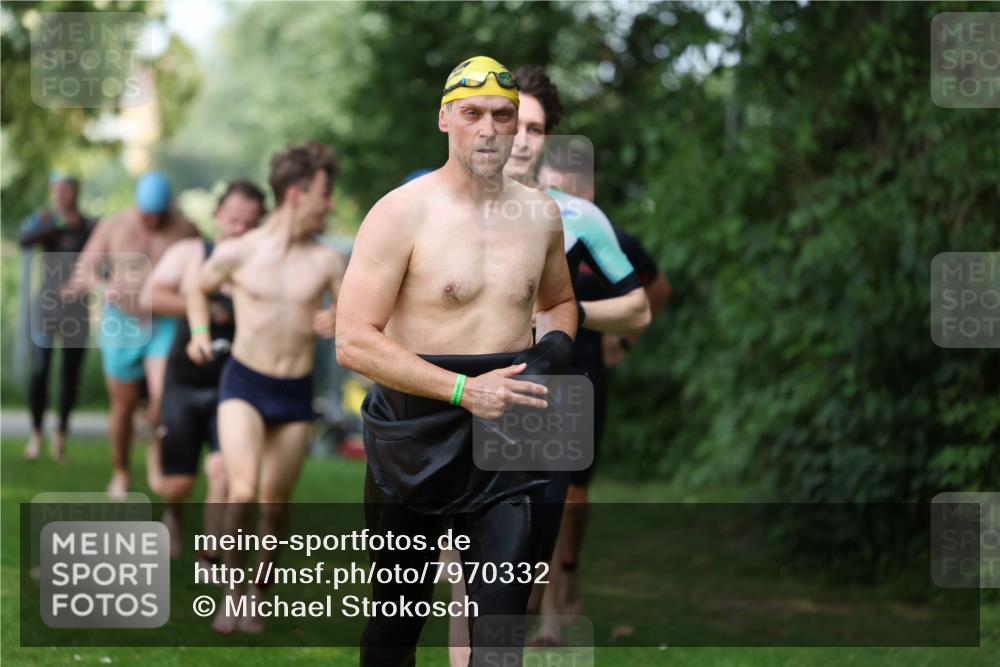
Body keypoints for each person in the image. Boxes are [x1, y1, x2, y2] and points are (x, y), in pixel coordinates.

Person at [335, 55, 582, 667]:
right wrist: (462, 392)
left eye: (504, 115)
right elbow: (353, 339)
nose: (490, 129)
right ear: (446, 118)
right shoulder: (400, 212)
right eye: (473, 114)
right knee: (396, 627)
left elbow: (559, 303)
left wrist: (551, 352)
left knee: (500, 637)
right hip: (415, 428)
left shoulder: (540, 215)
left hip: (510, 428)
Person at [445, 65, 654, 665]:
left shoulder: (576, 218)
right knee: (465, 570)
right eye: (511, 119)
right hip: (466, 395)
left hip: (542, 405)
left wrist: (566, 313)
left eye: (534, 127)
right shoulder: (443, 208)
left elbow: (638, 307)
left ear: (543, 138)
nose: (520, 136)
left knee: (514, 581)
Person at [187, 142, 344, 635]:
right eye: (325, 192)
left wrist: (335, 317)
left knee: (275, 507)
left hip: (294, 394)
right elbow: (197, 287)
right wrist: (197, 333)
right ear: (297, 194)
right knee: (240, 490)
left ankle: (259, 594)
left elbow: (359, 315)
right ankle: (231, 596)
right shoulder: (239, 251)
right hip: (244, 384)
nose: (331, 203)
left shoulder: (326, 262)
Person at [140, 180, 267, 559]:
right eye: (233, 220)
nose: (240, 230)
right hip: (185, 381)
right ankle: (174, 515)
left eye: (250, 222)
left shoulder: (264, 263)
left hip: (234, 386)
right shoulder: (190, 253)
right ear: (217, 216)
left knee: (222, 471)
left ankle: (210, 555)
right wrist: (207, 310)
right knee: (176, 485)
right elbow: (152, 295)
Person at [64, 171, 198, 498]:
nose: (152, 222)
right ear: (137, 206)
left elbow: (200, 270)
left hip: (163, 320)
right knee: (122, 405)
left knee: (162, 396)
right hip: (122, 320)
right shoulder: (114, 225)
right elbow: (85, 269)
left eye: (159, 215)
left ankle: (155, 448)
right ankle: (121, 470)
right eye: (146, 215)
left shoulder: (185, 229)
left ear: (170, 208)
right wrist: (104, 286)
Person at [18, 172, 95, 462]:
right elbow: (25, 240)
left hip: (77, 310)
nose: (60, 195)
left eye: (66, 190)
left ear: (76, 192)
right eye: (56, 190)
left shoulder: (89, 226)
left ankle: (61, 433)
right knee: (39, 372)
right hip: (46, 309)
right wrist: (53, 223)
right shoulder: (46, 221)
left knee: (70, 375)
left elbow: (104, 263)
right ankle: (36, 434)